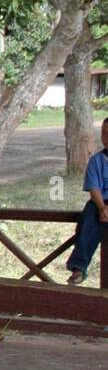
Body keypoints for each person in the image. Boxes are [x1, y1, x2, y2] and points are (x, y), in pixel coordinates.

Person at [67, 117, 108, 285]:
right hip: (100, 203)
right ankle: (79, 266)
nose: (106, 137)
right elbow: (94, 188)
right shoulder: (96, 161)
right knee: (87, 218)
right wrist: (102, 208)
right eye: (104, 133)